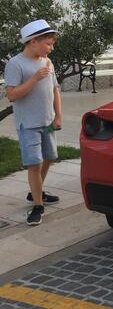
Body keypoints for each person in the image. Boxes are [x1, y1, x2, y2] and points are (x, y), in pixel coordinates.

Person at [4, 20, 62, 226]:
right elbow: (11, 95)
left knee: (50, 157)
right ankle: (38, 205)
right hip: (28, 124)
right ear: (33, 41)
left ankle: (35, 192)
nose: (51, 48)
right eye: (48, 43)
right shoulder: (16, 64)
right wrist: (35, 78)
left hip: (47, 121)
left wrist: (58, 115)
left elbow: (55, 89)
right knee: (34, 164)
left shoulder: (47, 62)